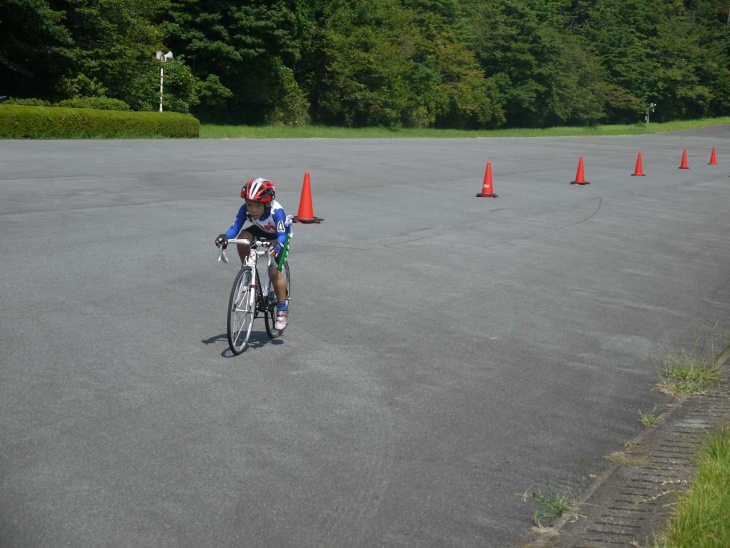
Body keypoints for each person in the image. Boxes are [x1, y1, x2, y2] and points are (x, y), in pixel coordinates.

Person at [215, 177, 292, 331]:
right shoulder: (244, 210)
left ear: (267, 203)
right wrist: (225, 236)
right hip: (261, 230)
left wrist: (277, 244)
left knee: (273, 272)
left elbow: (282, 234)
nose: (253, 210)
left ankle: (282, 309)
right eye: (249, 204)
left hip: (279, 236)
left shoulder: (277, 211)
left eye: (258, 206)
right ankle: (247, 272)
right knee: (243, 237)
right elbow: (235, 228)